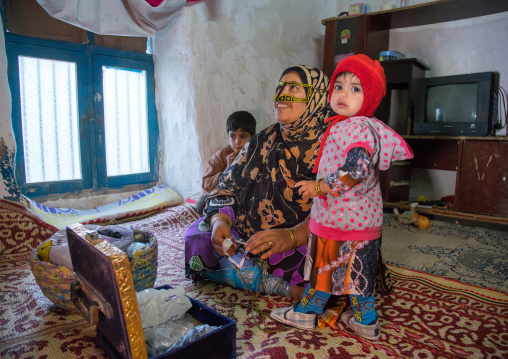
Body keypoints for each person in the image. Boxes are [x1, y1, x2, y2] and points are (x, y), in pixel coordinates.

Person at [270, 54, 414, 340]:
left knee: (325, 267)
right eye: (339, 86)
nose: (344, 94)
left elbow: (357, 168)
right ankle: (365, 319)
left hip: (342, 219)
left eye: (356, 89)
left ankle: (308, 311)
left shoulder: (355, 127)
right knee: (359, 274)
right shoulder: (355, 125)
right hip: (360, 221)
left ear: (369, 98)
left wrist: (319, 187)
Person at [184, 65, 334, 300]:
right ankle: (281, 286)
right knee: (198, 236)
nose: (281, 94)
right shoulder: (264, 139)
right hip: (250, 232)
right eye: (280, 87)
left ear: (316, 96)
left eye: (293, 87)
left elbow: (339, 205)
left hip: (306, 235)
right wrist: (219, 222)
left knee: (329, 256)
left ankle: (251, 274)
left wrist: (291, 236)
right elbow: (227, 185)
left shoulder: (335, 143)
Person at [201, 111, 257, 193]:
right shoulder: (222, 155)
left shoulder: (257, 153)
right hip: (227, 198)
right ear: (228, 136)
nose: (237, 142)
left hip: (250, 198)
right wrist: (228, 171)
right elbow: (206, 183)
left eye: (243, 136)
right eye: (233, 136)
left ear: (252, 137)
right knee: (202, 201)